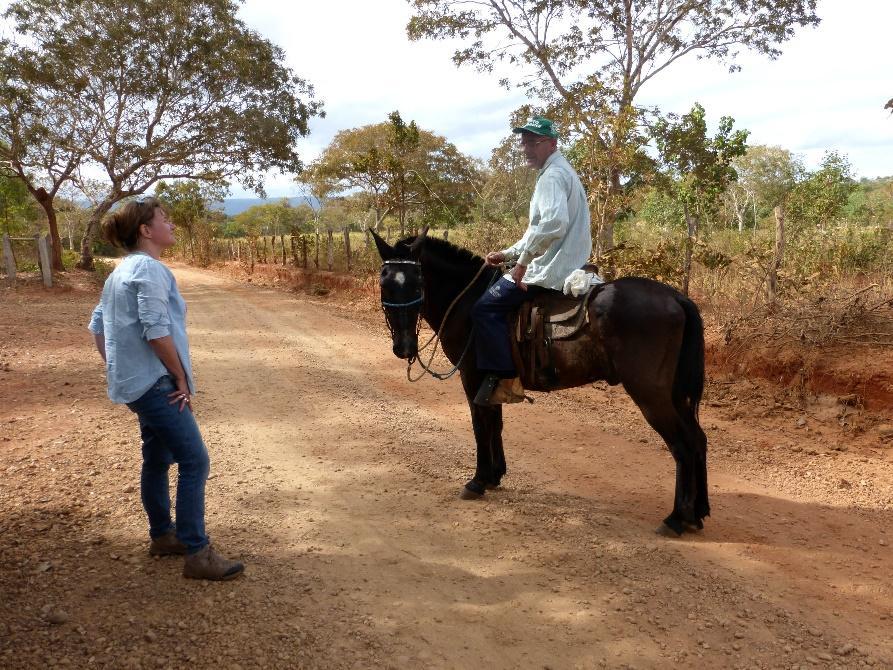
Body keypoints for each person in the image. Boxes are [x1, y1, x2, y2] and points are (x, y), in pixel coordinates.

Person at [88, 196, 244, 581]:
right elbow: (156, 331)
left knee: (157, 459)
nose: (171, 224)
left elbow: (97, 327)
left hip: (135, 384)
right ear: (146, 230)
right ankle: (197, 552)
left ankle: (163, 536)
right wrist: (178, 377)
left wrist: (118, 367)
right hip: (156, 383)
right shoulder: (151, 270)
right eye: (164, 219)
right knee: (195, 461)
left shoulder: (119, 272)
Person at [471, 116, 592, 405]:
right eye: (524, 142)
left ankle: (506, 380)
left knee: (484, 308)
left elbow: (553, 225)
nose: (526, 148)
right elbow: (537, 230)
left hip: (551, 268)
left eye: (533, 142)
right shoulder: (558, 171)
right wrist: (508, 254)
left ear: (552, 143)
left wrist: (522, 263)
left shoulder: (552, 176)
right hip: (562, 261)